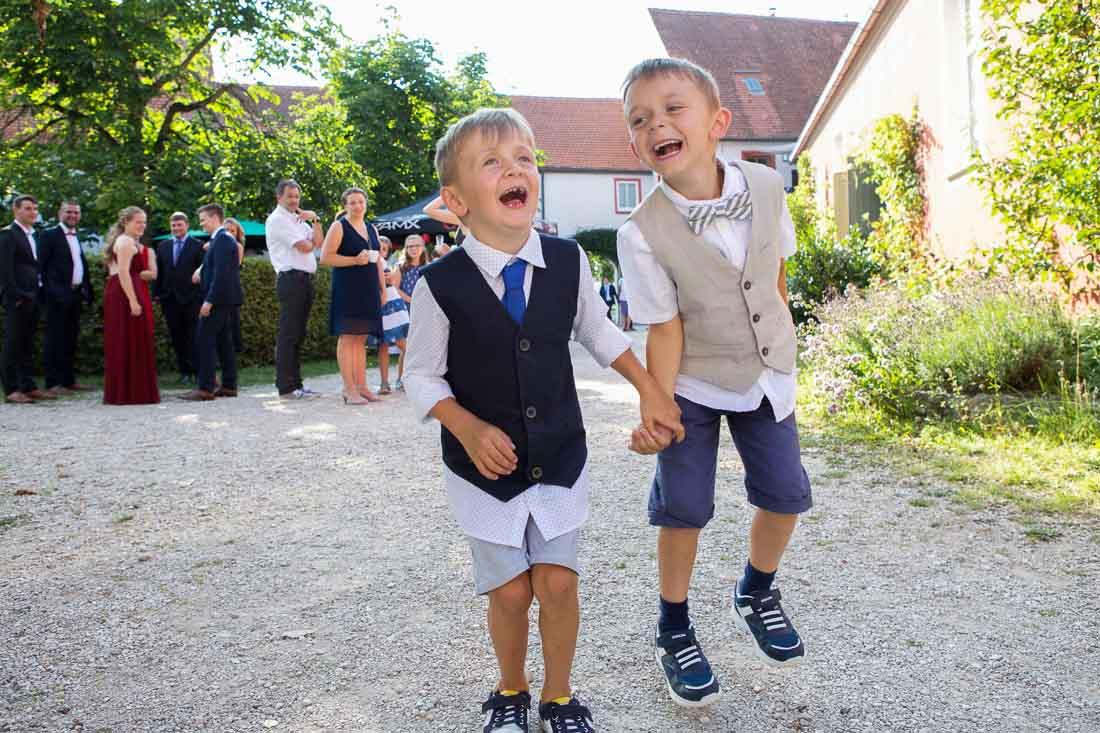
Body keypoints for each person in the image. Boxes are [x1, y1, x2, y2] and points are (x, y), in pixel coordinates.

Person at [404, 108, 684, 733]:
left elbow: (599, 331)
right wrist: (466, 427)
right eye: (493, 162)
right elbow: (421, 376)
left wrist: (649, 389)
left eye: (525, 159)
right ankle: (511, 691)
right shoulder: (438, 284)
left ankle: (559, 696)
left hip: (559, 453)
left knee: (557, 584)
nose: (515, 170)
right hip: (482, 469)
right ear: (456, 200)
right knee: (509, 591)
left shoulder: (568, 261)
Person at [616, 58, 811, 708]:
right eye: (641, 120)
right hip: (693, 381)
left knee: (785, 494)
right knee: (686, 506)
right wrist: (658, 403)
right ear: (635, 143)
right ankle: (674, 624)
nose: (657, 125)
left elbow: (774, 272)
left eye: (674, 108)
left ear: (717, 122)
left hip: (765, 372)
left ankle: (756, 587)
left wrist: (779, 345)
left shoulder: (765, 184)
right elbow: (664, 328)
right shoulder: (640, 231)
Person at [320, 187, 383, 405]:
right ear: (345, 206)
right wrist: (354, 260)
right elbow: (326, 258)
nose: (357, 206)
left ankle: (362, 386)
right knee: (348, 337)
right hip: (348, 287)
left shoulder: (371, 228)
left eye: (360, 202)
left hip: (369, 288)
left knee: (361, 337)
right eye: (352, 202)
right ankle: (348, 389)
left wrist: (382, 289)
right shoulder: (339, 226)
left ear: (366, 204)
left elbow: (378, 261)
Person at [265, 179, 324, 400]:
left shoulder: (298, 219)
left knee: (298, 334)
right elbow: (306, 246)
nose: (294, 200)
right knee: (289, 334)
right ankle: (286, 387)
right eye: (290, 196)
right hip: (291, 279)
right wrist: (311, 241)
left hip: (304, 279)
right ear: (279, 197)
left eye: (297, 196)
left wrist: (316, 219)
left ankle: (296, 384)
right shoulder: (277, 220)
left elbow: (319, 240)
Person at [179, 204, 242, 401]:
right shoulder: (220, 240)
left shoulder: (223, 240)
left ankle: (205, 387)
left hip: (219, 300)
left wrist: (209, 301)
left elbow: (222, 274)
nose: (201, 224)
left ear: (215, 218)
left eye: (203, 219)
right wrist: (201, 271)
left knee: (204, 339)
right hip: (225, 299)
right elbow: (214, 268)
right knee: (223, 342)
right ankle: (229, 385)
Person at [102, 206, 159, 405]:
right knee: (127, 339)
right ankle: (129, 392)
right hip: (125, 293)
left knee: (135, 338)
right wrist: (133, 301)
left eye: (144, 222)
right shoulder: (125, 241)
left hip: (130, 289)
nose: (142, 226)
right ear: (126, 222)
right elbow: (123, 273)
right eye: (138, 222)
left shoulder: (132, 242)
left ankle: (134, 391)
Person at [35, 200, 92, 395]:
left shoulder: (76, 236)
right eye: (69, 212)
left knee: (70, 338)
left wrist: (85, 290)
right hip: (56, 297)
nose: (73, 216)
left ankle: (68, 381)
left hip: (75, 295)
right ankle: (53, 383)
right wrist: (50, 292)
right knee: (54, 339)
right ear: (60, 213)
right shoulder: (48, 235)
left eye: (76, 212)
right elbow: (39, 267)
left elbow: (78, 264)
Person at [1, 195, 54, 403]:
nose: (33, 212)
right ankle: (11, 389)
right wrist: (15, 296)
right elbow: (5, 271)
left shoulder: (33, 235)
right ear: (16, 210)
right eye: (28, 208)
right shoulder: (7, 235)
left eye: (35, 208)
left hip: (34, 296)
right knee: (12, 343)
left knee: (28, 343)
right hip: (18, 298)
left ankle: (28, 385)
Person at [155, 212, 205, 385]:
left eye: (179, 225)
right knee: (176, 336)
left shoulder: (198, 246)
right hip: (170, 299)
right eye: (173, 225)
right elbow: (159, 273)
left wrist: (201, 297)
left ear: (187, 225)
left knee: (194, 336)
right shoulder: (162, 246)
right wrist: (157, 294)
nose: (176, 228)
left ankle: (198, 371)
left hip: (191, 299)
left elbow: (203, 273)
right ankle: (184, 372)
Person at [368, 235, 410, 394]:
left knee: (404, 344)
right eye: (378, 247)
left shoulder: (384, 265)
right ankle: (385, 383)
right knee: (383, 345)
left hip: (393, 305)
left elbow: (389, 282)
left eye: (384, 249)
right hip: (381, 306)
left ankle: (401, 379)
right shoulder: (373, 263)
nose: (380, 250)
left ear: (386, 252)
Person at [395, 233, 429, 391]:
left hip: (426, 309)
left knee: (425, 346)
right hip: (407, 310)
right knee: (408, 347)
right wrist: (410, 299)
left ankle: (422, 380)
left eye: (417, 245)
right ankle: (401, 379)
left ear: (423, 247)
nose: (413, 249)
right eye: (410, 246)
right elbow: (395, 288)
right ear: (405, 249)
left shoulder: (429, 266)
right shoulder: (401, 267)